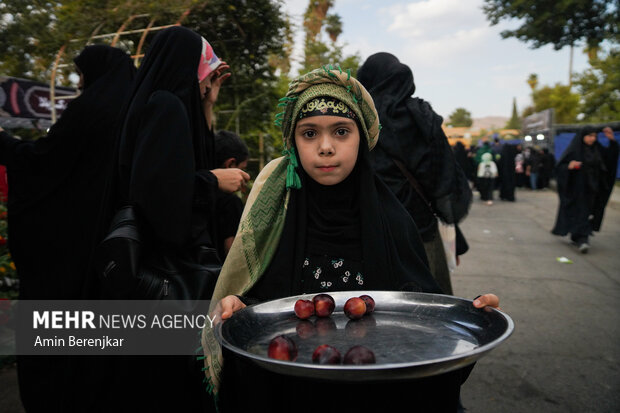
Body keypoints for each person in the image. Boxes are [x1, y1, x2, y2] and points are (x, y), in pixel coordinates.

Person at [201, 66, 500, 413]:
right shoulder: (275, 220)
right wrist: (240, 305)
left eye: (341, 131)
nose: (325, 148)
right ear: (293, 142)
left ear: (363, 137)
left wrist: (473, 316)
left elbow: (426, 334)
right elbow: (266, 310)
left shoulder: (394, 223)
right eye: (309, 133)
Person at [94, 26, 249, 412]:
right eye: (206, 67)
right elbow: (161, 199)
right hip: (166, 282)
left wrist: (210, 100)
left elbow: (182, 163)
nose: (210, 77)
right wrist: (212, 182)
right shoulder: (166, 106)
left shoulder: (156, 102)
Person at [0, 45, 136, 412]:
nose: (79, 84)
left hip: (70, 248)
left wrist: (6, 144)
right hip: (115, 249)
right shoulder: (133, 112)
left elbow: (44, 161)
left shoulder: (89, 111)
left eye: (82, 77)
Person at [356, 52, 473, 295]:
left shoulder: (358, 119)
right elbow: (442, 180)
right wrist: (455, 240)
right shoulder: (421, 116)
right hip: (421, 234)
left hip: (370, 234)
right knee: (427, 314)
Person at [551, 126, 618, 253]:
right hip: (577, 189)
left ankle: (578, 236)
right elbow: (560, 168)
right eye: (589, 136)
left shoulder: (598, 150)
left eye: (594, 136)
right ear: (582, 136)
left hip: (594, 189)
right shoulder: (575, 150)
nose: (592, 139)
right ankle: (583, 239)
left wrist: (612, 142)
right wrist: (569, 166)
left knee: (588, 212)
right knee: (581, 212)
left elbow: (610, 160)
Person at [214, 130, 249, 259]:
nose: (246, 178)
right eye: (243, 170)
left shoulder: (193, 195)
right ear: (230, 164)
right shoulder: (231, 203)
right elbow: (232, 253)